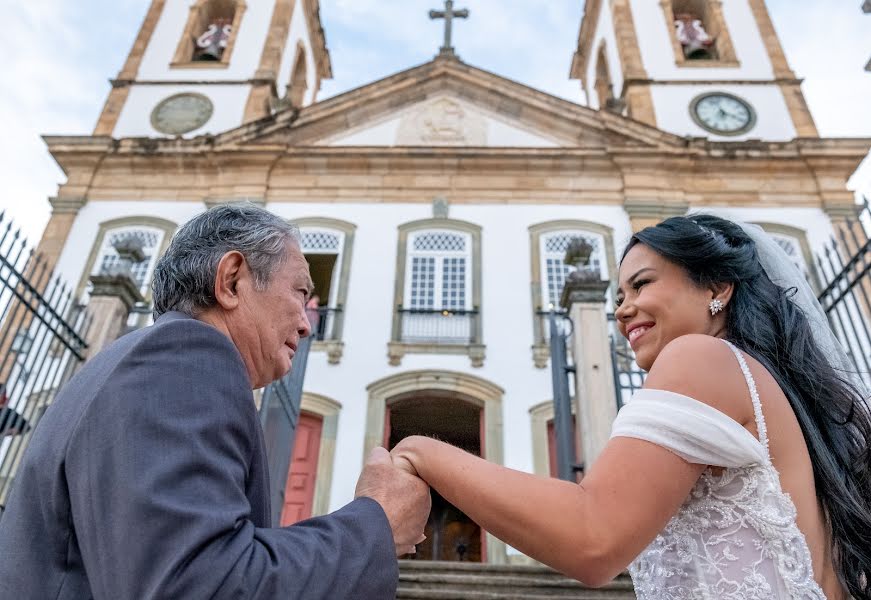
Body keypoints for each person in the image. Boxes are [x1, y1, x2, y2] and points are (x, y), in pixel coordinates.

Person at [391, 215, 871, 599]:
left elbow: (592, 536)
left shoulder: (700, 357)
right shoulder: (762, 384)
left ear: (716, 289)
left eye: (641, 285)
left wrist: (420, 452)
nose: (621, 308)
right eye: (619, 295)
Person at [0, 203, 430, 599]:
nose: (306, 325)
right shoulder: (184, 358)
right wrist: (377, 525)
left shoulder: (147, 361)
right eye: (300, 293)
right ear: (231, 281)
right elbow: (196, 584)